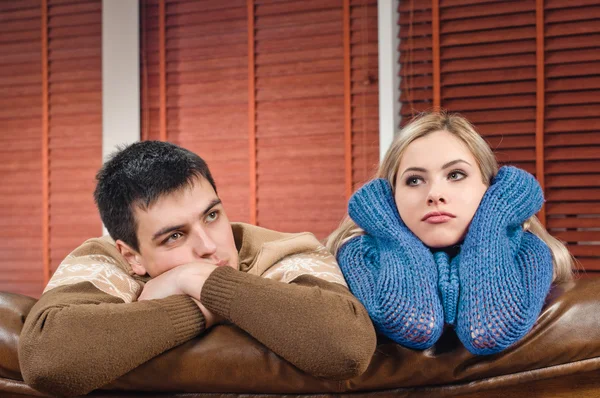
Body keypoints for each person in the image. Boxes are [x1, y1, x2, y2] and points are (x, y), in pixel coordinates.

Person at [19, 141, 376, 397]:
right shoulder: (103, 260)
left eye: (212, 215)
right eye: (174, 236)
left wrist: (200, 281)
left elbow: (346, 347)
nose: (209, 246)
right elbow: (48, 360)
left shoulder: (285, 249)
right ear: (131, 256)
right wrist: (209, 306)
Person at [327, 111, 574, 355]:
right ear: (390, 197)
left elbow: (489, 331)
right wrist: (392, 233)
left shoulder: (526, 250)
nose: (435, 193)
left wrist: (493, 219)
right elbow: (415, 325)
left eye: (456, 175)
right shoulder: (361, 253)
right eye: (414, 180)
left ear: (489, 187)